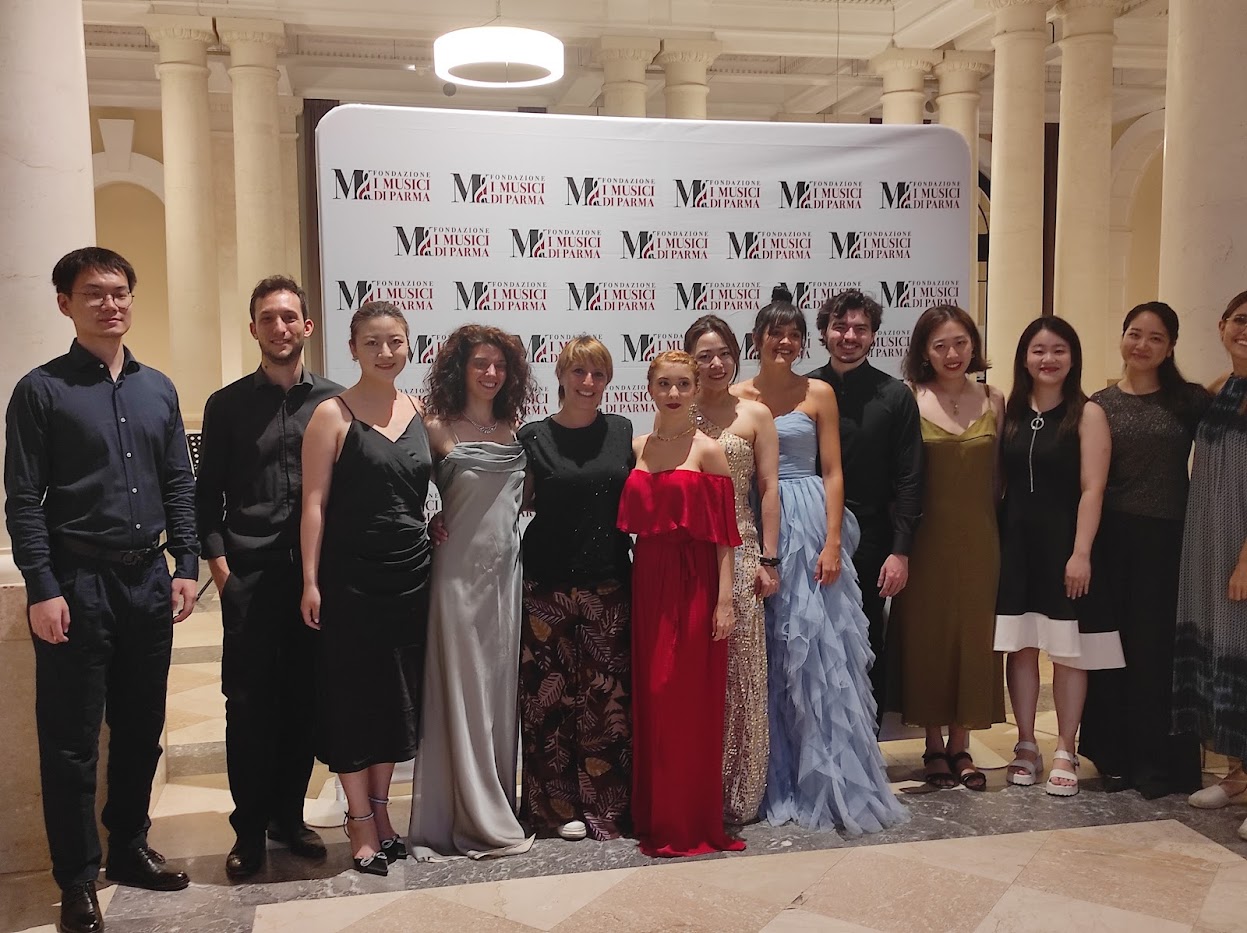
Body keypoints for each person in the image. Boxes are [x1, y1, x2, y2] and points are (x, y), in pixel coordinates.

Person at [4, 248, 198, 933]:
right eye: (93, 294)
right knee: (71, 741)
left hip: (147, 580)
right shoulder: (40, 390)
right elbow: (23, 499)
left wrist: (185, 562)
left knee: (141, 728)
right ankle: (77, 877)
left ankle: (129, 847)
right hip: (77, 582)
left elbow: (178, 481)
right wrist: (42, 585)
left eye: (119, 292)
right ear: (65, 304)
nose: (110, 304)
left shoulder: (158, 389)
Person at [735, 287, 909, 836]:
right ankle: (765, 776)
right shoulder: (736, 395)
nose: (785, 343)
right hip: (757, 524)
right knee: (766, 652)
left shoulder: (819, 393)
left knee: (818, 653)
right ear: (757, 339)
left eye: (794, 335)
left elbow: (833, 471)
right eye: (775, 334)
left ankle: (829, 780)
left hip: (810, 523)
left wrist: (833, 542)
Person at [196, 275, 342, 879]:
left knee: (305, 702)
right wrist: (221, 570)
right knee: (250, 705)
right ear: (253, 328)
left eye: (288, 317)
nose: (279, 327)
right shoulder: (226, 404)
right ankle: (249, 829)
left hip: (316, 580)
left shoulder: (335, 402)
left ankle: (288, 816)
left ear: (307, 325)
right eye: (267, 318)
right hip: (250, 577)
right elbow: (206, 497)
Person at [301, 301, 432, 876]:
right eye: (373, 342)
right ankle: (358, 820)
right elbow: (313, 504)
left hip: (411, 576)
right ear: (352, 348)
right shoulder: (331, 414)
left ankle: (382, 813)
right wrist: (310, 580)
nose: (385, 352)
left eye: (395, 341)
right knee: (354, 701)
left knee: (395, 702)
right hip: (349, 579)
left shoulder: (420, 410)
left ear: (409, 346)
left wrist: (442, 522)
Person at [410, 324, 539, 860]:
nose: (491, 373)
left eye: (500, 365)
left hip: (505, 577)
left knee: (497, 691)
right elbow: (400, 489)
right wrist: (429, 520)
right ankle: (464, 812)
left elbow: (526, 500)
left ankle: (498, 800)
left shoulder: (517, 430)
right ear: (459, 369)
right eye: (480, 363)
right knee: (463, 689)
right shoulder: (435, 426)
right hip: (456, 577)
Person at [1079, 302, 1210, 799]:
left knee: (1157, 652)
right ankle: (1114, 757)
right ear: (1122, 337)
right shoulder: (1100, 403)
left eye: (1155, 338)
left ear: (1170, 347)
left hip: (1168, 541)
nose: (1142, 345)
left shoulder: (1190, 401)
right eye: (1135, 333)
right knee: (1110, 651)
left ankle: (1159, 762)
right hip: (1111, 540)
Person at [616, 350, 744, 857]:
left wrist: (724, 601)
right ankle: (655, 815)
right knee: (653, 696)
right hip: (648, 579)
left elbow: (726, 537)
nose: (673, 393)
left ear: (696, 389)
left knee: (687, 700)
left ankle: (689, 820)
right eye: (664, 384)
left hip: (696, 585)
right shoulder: (637, 447)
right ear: (649, 388)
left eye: (683, 384)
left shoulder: (709, 451)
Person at [994, 316, 1119, 798]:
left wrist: (1081, 552)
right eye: (1039, 350)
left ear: (1073, 357)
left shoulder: (1087, 414)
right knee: (1021, 645)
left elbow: (1093, 489)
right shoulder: (1009, 410)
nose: (1048, 359)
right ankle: (1026, 743)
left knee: (1068, 651)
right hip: (1016, 545)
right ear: (1024, 357)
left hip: (1066, 545)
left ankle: (1066, 746)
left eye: (1059, 350)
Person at [517, 336, 634, 842]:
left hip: (609, 585)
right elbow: (513, 503)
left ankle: (606, 806)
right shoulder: (532, 436)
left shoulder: (622, 431)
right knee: (549, 702)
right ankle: (554, 808)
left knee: (607, 702)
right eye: (579, 372)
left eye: (598, 374)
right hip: (548, 587)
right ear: (561, 376)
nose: (588, 383)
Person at [889, 305, 1005, 791]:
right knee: (928, 639)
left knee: (973, 638)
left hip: (980, 538)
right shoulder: (909, 398)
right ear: (924, 352)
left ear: (973, 345)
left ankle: (962, 745)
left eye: (960, 342)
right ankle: (933, 744)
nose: (952, 353)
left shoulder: (995, 398)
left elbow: (999, 477)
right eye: (940, 345)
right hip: (925, 540)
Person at [806, 289, 922, 715]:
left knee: (868, 638)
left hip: (873, 540)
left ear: (874, 336)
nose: (849, 336)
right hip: (810, 535)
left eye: (860, 328)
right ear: (824, 332)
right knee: (815, 640)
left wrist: (901, 551)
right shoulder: (805, 391)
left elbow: (910, 478)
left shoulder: (895, 396)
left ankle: (867, 740)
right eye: (840, 327)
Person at [684, 315, 780, 825]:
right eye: (704, 356)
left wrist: (768, 558)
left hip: (741, 550)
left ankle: (740, 790)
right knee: (695, 670)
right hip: (688, 553)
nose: (716, 363)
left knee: (742, 671)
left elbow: (768, 488)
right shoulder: (678, 410)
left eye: (723, 353)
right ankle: (696, 782)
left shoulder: (756, 414)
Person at [1173, 291, 1247, 839]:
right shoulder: (1221, 388)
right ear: (1222, 326)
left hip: (1241, 545)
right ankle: (1238, 774)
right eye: (1241, 320)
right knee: (1222, 653)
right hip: (1209, 541)